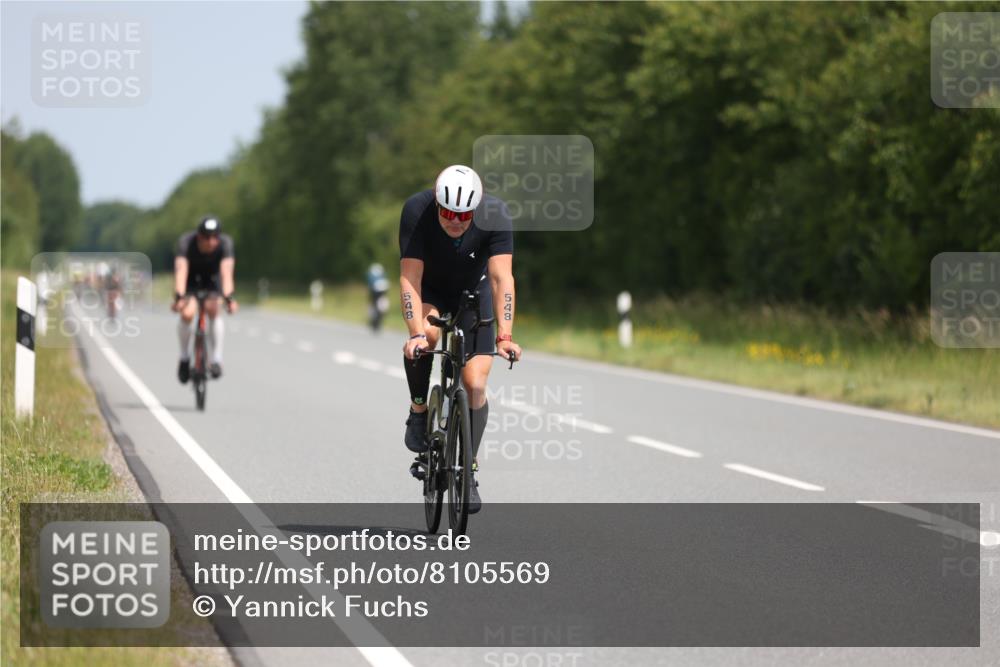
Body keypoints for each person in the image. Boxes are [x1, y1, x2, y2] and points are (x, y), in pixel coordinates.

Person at [398, 165, 521, 514]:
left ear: (476, 208)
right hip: (432, 290)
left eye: (463, 215)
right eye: (448, 213)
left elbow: (501, 279)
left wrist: (506, 335)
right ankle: (419, 410)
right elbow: (410, 279)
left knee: (475, 385)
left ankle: (469, 469)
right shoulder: (417, 211)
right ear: (437, 204)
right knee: (428, 337)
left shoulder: (495, 214)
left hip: (474, 292)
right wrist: (416, 334)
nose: (455, 220)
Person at [171, 216, 238, 382]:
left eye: (215, 237)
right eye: (206, 237)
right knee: (187, 314)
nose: (211, 241)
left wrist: (229, 298)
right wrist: (179, 296)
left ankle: (216, 358)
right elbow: (181, 271)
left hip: (212, 281)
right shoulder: (186, 242)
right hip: (191, 281)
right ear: (198, 236)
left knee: (214, 309)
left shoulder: (225, 244)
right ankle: (184, 357)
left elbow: (226, 273)